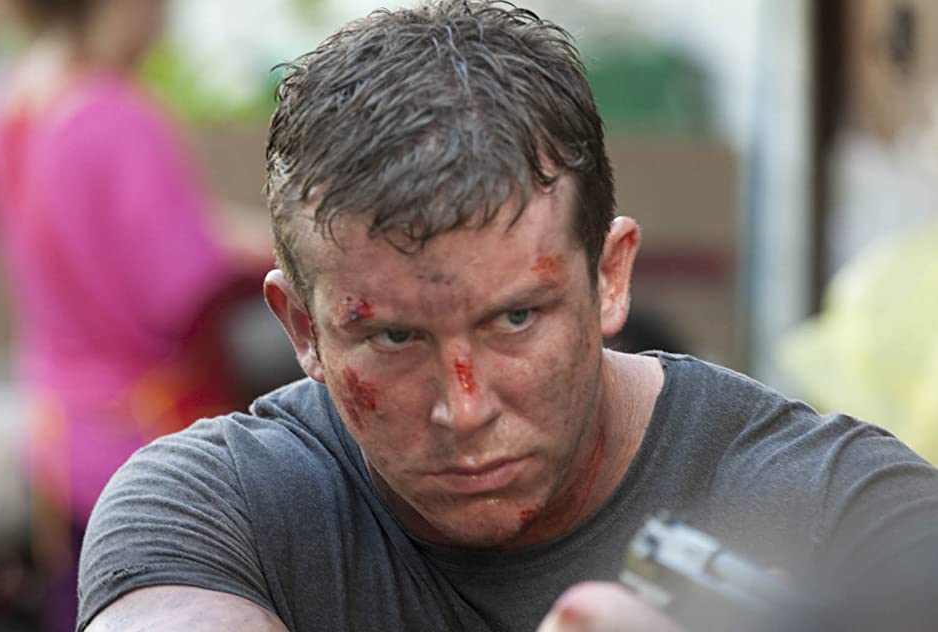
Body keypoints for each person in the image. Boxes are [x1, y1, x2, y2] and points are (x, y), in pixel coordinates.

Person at [76, 1, 938, 630]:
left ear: (610, 277)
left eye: (516, 318)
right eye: (395, 336)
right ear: (303, 329)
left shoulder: (844, 508)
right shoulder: (214, 510)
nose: (464, 407)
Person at [0, 0, 269, 628]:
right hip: (149, 447)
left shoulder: (17, 104)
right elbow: (178, 288)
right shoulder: (119, 118)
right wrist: (277, 258)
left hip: (63, 437)